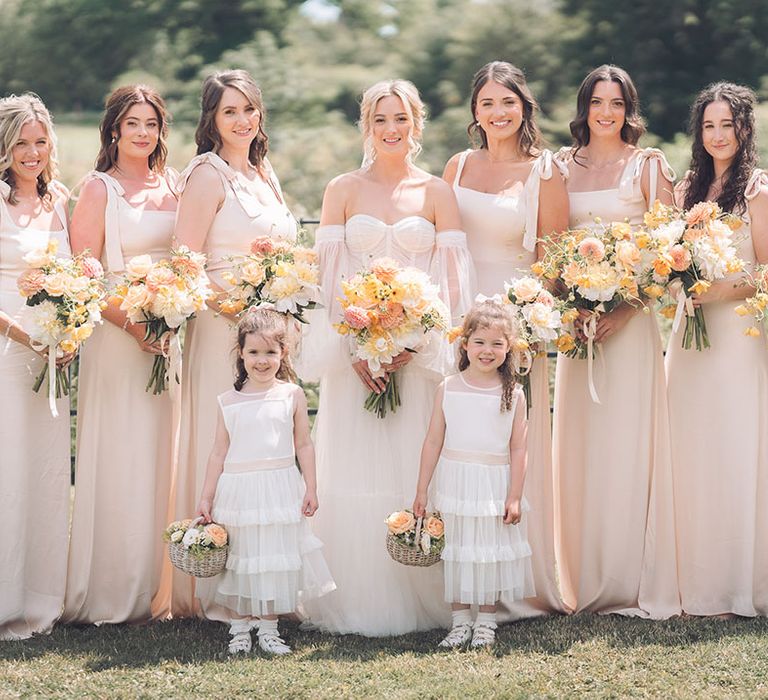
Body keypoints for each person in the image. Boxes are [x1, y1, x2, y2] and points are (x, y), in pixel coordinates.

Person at [300, 79, 474, 636]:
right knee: (352, 469)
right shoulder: (342, 188)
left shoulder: (437, 192)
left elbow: (451, 283)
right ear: (366, 126)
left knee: (413, 466)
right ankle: (356, 597)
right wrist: (355, 347)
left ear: (416, 124)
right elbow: (327, 281)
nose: (391, 129)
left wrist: (414, 344)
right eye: (380, 120)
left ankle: (420, 587)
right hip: (355, 359)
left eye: (401, 119)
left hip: (416, 361)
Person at [553, 65, 680, 617]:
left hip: (629, 330)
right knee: (580, 446)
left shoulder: (648, 167)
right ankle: (578, 576)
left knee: (629, 444)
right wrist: (571, 305)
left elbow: (672, 250)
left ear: (631, 109)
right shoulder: (558, 166)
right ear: (584, 107)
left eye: (618, 102)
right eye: (598, 101)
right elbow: (551, 244)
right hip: (578, 331)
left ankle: (631, 576)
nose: (607, 112)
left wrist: (625, 309)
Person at [443, 60, 568, 619]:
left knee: (511, 444)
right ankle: (459, 580)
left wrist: (524, 322)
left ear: (525, 108)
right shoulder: (458, 165)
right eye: (488, 103)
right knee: (459, 443)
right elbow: (440, 242)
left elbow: (553, 257)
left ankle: (516, 582)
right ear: (475, 110)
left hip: (516, 324)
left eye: (508, 102)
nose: (498, 113)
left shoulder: (547, 170)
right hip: (458, 319)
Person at [173, 70, 297, 616]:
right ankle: (216, 581)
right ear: (212, 120)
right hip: (224, 335)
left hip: (268, 343)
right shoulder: (206, 174)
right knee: (226, 456)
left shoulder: (264, 171)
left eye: (249, 109)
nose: (242, 120)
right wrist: (241, 314)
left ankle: (263, 580)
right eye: (229, 112)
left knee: (267, 458)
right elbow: (185, 262)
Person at [63, 85, 178, 624]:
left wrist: (172, 312)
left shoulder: (175, 185)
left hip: (170, 336)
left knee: (165, 454)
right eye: (132, 123)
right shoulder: (96, 189)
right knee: (121, 453)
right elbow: (84, 273)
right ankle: (113, 588)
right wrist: (133, 326)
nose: (142, 133)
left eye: (151, 124)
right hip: (118, 337)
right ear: (113, 129)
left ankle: (163, 586)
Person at [667, 82, 768, 616]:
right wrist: (679, 281)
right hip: (689, 335)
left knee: (733, 446)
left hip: (737, 336)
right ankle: (694, 580)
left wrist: (718, 291)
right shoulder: (687, 189)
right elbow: (670, 256)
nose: (717, 134)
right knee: (691, 446)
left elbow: (767, 271)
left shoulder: (758, 188)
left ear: (745, 129)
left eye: (727, 124)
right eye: (708, 124)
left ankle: (737, 585)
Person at [196, 307, 335, 654]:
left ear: (283, 353)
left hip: (279, 487)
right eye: (254, 352)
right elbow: (218, 452)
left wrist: (311, 487)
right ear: (240, 354)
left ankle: (269, 628)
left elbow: (303, 443)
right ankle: (241, 627)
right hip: (239, 490)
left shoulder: (292, 395)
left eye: (271, 352)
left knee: (273, 555)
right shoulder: (228, 401)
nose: (262, 361)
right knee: (242, 556)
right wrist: (206, 497)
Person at [413, 299, 534, 648]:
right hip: (456, 482)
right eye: (479, 342)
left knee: (488, 552)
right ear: (465, 344)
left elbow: (518, 448)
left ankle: (486, 621)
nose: (487, 350)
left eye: (497, 343)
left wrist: (514, 495)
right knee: (459, 550)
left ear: (508, 348)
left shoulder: (514, 393)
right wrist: (421, 490)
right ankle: (460, 621)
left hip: (494, 482)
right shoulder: (448, 387)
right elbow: (433, 440)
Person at [0, 93, 71, 639]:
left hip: (49, 357)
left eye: (40, 141)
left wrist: (70, 331)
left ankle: (38, 597)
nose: (32, 152)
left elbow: (74, 279)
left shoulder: (60, 201)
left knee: (43, 473)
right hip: (6, 347)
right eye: (21, 141)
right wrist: (20, 332)